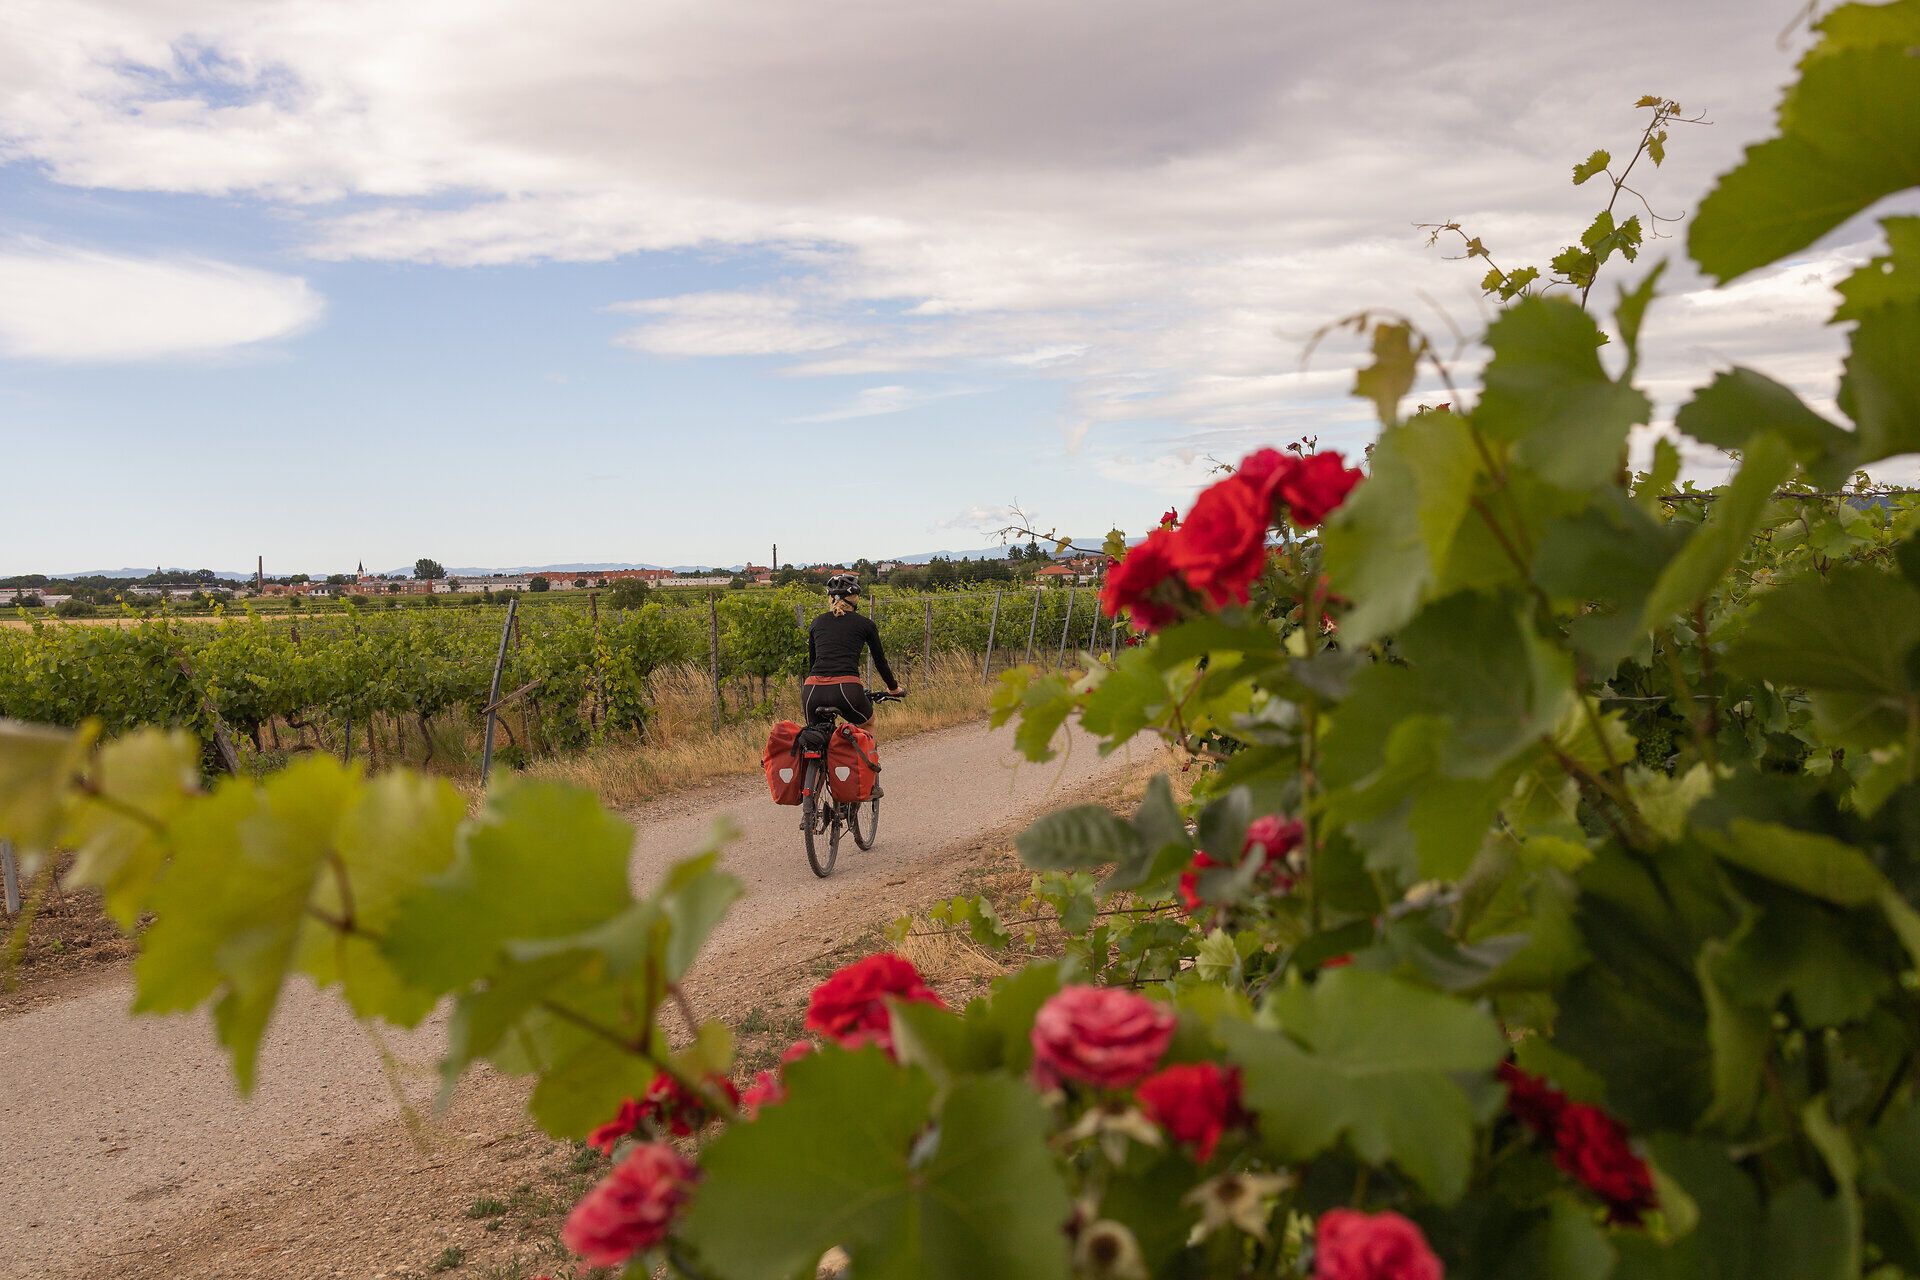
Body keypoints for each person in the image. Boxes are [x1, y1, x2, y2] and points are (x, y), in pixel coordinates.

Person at [804, 575, 903, 757]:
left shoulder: (816, 622)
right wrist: (893, 688)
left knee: (813, 739)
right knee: (868, 724)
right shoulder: (866, 624)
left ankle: (810, 782)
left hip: (812, 690)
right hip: (846, 688)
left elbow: (812, 663)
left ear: (830, 598)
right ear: (856, 599)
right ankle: (868, 779)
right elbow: (880, 661)